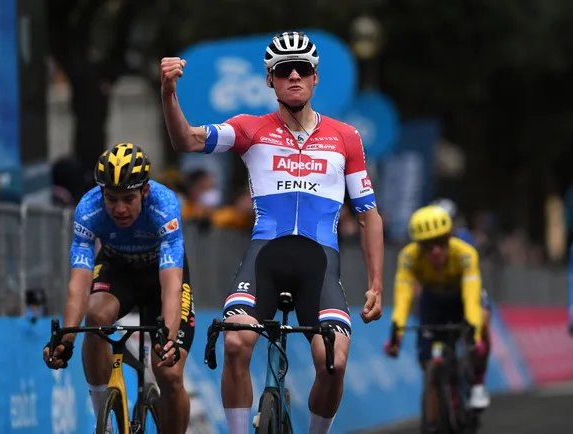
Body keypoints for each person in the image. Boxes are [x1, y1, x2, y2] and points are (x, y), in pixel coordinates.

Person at [161, 31, 384, 434]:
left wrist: (376, 284)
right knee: (235, 343)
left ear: (316, 78)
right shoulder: (250, 129)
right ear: (270, 80)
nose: (294, 76)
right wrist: (168, 94)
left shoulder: (346, 137)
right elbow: (186, 139)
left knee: (333, 363)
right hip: (264, 259)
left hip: (319, 264)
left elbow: (368, 214)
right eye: (284, 70)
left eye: (303, 70)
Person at [43, 143, 194, 434]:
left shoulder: (164, 205)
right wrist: (66, 338)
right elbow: (79, 282)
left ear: (145, 192)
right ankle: (106, 422)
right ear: (101, 194)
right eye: (111, 199)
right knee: (96, 315)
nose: (120, 208)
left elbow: (172, 284)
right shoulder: (89, 209)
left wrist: (170, 338)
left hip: (160, 276)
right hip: (118, 268)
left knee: (170, 373)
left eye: (128, 198)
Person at [384, 205, 488, 431]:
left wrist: (475, 333)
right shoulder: (409, 257)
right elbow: (403, 297)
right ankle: (433, 422)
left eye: (441, 242)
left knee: (483, 318)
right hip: (434, 301)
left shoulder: (465, 253)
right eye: (427, 246)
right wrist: (396, 333)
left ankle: (478, 382)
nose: (436, 251)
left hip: (462, 297)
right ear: (417, 245)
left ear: (450, 236)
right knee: (427, 365)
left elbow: (471, 298)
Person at [431, 198, 491, 408]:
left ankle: (479, 383)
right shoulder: (427, 242)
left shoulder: (464, 238)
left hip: (468, 288)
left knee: (482, 324)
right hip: (441, 293)